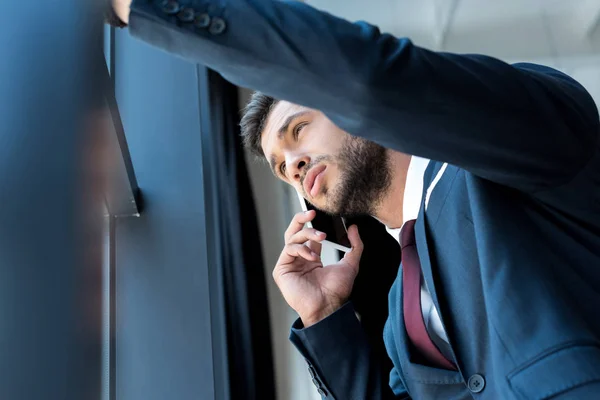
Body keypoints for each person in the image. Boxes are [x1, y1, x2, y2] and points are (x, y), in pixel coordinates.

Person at [110, 1, 600, 398]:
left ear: (349, 109)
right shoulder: (397, 317)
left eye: (299, 129)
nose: (294, 165)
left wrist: (143, 7)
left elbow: (370, 81)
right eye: (282, 166)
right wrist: (324, 316)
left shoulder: (517, 152)